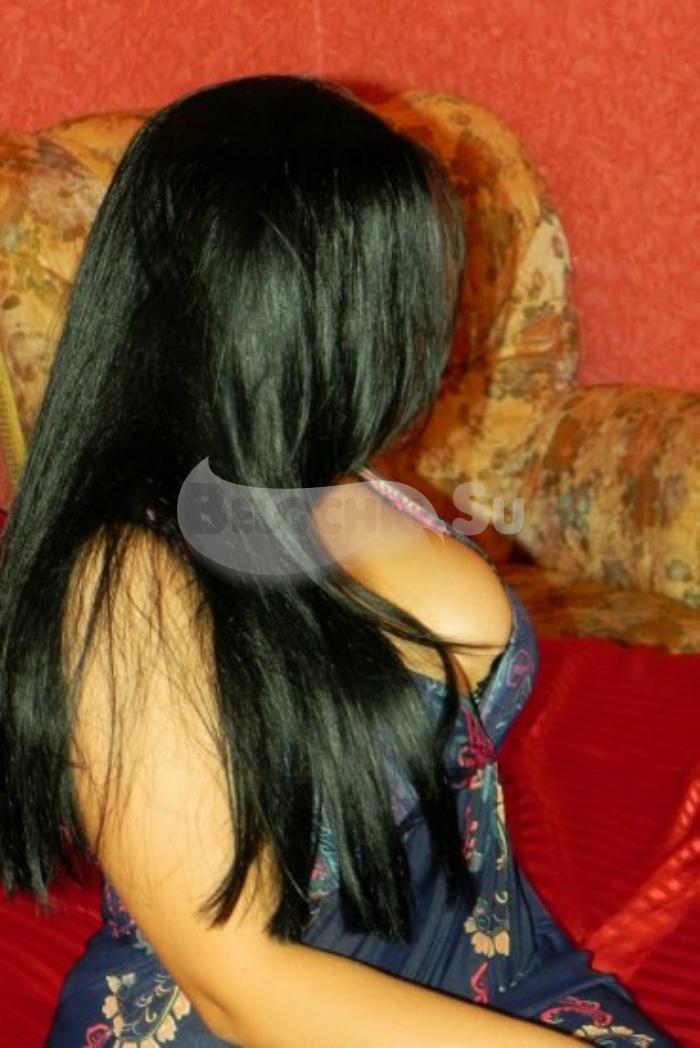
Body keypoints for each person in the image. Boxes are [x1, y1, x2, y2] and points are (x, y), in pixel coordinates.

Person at [0, 75, 674, 1047]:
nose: (429, 323)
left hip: (489, 968)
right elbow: (242, 983)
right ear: (297, 308)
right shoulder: (130, 580)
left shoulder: (311, 476)